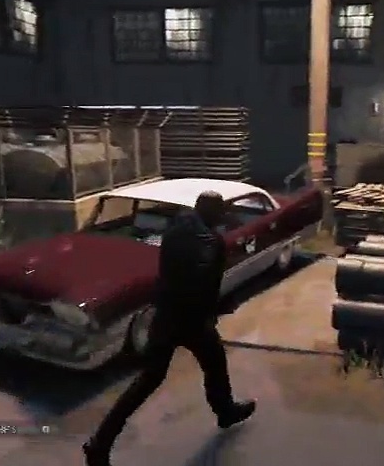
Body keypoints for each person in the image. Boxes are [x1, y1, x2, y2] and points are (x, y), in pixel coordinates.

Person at [83, 191, 257, 466]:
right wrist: (215, 311)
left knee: (148, 380)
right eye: (220, 211)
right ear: (211, 212)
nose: (223, 216)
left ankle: (99, 443)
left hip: (165, 316)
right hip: (191, 320)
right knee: (214, 362)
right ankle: (225, 411)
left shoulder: (176, 230)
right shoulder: (211, 242)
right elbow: (205, 285)